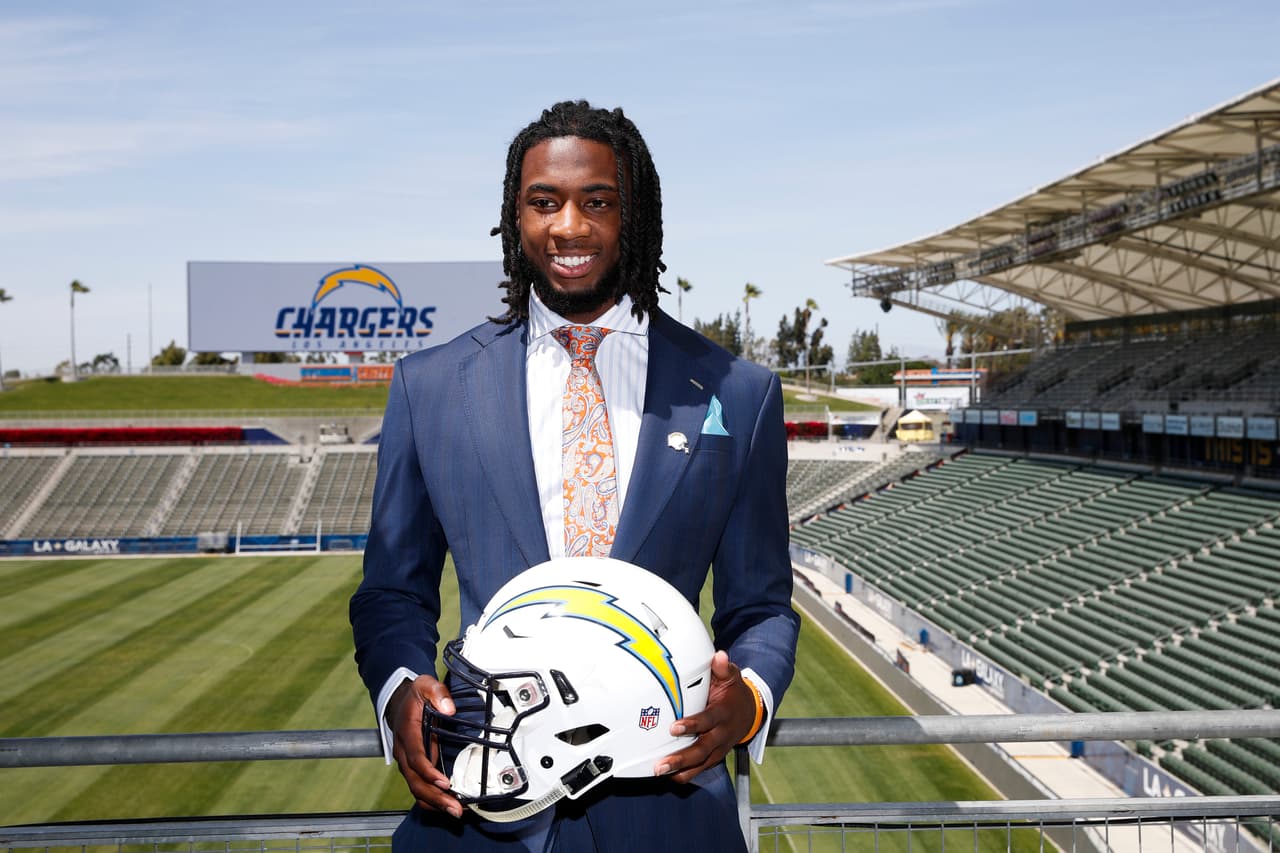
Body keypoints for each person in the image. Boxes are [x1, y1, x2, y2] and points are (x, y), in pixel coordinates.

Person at [350, 100, 799, 852]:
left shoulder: (737, 392)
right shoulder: (429, 386)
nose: (569, 226)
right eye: (543, 202)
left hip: (670, 804)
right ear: (513, 218)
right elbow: (393, 589)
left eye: (597, 201)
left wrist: (748, 698)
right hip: (479, 808)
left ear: (635, 216)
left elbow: (762, 607)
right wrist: (399, 691)